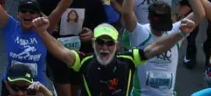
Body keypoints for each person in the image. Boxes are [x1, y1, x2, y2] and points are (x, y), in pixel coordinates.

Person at [32, 14, 193, 96]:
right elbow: (61, 51)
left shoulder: (129, 60)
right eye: (100, 42)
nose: (104, 47)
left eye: (109, 43)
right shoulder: (84, 61)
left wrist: (180, 34)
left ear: (116, 46)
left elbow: (156, 47)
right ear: (93, 43)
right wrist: (42, 33)